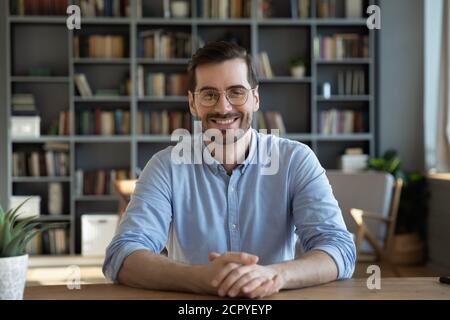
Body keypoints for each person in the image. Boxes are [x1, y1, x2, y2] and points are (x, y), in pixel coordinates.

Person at [103, 41, 356, 299]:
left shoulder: (296, 160)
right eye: (209, 94)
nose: (223, 108)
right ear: (192, 103)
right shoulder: (165, 167)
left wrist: (276, 275)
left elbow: (339, 248)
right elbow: (123, 254)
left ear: (255, 98)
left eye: (236, 92)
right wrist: (200, 278)